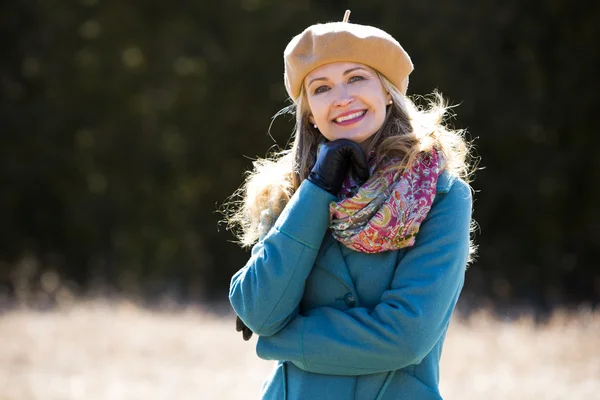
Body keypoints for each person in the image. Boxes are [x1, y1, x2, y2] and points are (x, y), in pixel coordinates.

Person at [226, 10, 476, 400]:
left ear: (387, 93)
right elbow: (259, 309)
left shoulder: (442, 194)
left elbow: (406, 337)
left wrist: (283, 339)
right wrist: (318, 186)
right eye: (321, 88)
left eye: (356, 78)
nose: (341, 99)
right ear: (309, 111)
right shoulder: (285, 192)